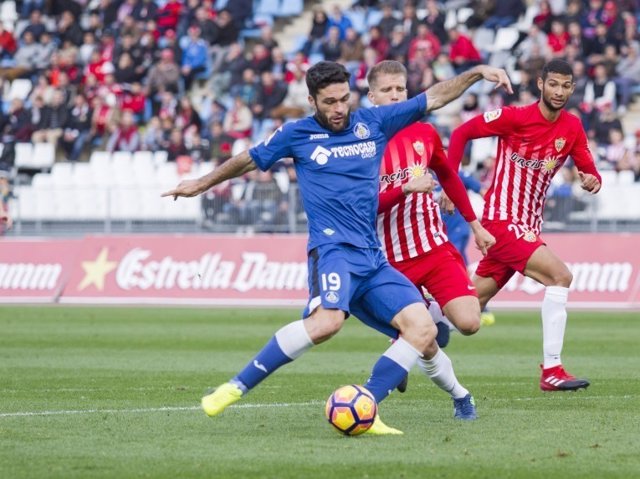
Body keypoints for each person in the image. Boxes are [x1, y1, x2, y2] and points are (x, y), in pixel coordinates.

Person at [163, 61, 511, 433]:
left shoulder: (372, 124)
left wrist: (476, 73)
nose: (339, 108)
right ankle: (234, 386)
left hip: (373, 259)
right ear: (312, 100)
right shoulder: (297, 134)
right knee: (327, 323)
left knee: (424, 330)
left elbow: (435, 96)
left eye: (344, 99)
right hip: (333, 252)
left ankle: (369, 404)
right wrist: (201, 182)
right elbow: (249, 159)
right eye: (330, 102)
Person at [445, 59, 602, 391]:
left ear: (572, 88)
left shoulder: (572, 127)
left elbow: (588, 168)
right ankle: (552, 370)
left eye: (566, 86)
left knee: (467, 312)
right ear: (541, 84)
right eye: (554, 84)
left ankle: (406, 341)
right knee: (561, 276)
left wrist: (592, 179)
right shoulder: (514, 117)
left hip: (528, 226)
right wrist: (450, 184)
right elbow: (461, 133)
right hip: (502, 222)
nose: (559, 91)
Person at [366, 60, 496, 405]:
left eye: (400, 89)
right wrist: (405, 189)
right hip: (391, 262)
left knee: (469, 323)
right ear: (371, 96)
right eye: (386, 90)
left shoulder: (424, 132)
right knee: (423, 338)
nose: (395, 96)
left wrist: (475, 224)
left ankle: (406, 337)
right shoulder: (363, 146)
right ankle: (453, 392)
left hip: (435, 249)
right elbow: (363, 208)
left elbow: (448, 176)